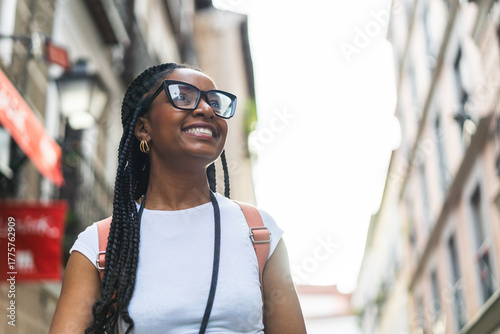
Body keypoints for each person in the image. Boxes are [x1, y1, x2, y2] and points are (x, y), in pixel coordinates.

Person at [49, 63, 306, 334]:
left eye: (215, 102)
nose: (207, 109)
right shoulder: (99, 246)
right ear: (143, 129)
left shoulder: (259, 232)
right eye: (182, 96)